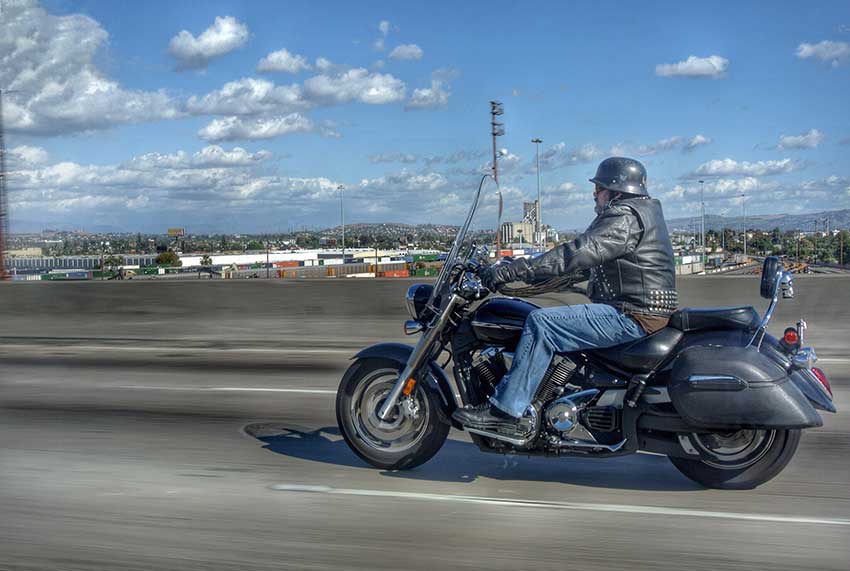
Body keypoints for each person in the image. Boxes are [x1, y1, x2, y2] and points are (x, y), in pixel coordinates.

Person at [453, 156, 677, 433]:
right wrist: (520, 270)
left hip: (630, 315)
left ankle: (506, 410)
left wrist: (514, 271)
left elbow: (578, 252)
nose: (594, 196)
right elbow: (587, 263)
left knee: (542, 323)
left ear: (616, 191)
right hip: (639, 311)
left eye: (598, 190)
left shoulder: (624, 215)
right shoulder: (642, 212)